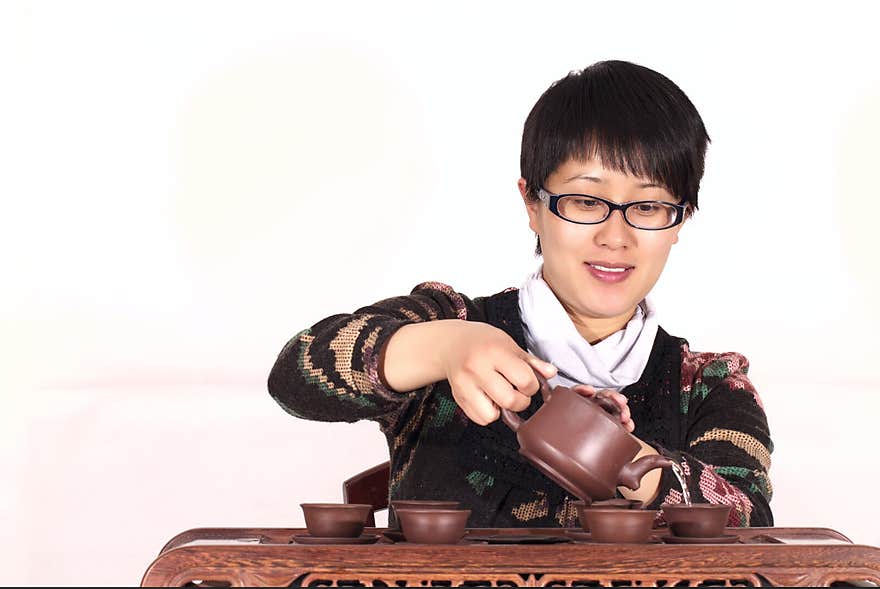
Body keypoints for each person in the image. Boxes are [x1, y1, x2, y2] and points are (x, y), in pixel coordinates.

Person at [267, 60, 773, 529]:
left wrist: (620, 458)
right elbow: (297, 374)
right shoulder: (451, 319)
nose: (616, 236)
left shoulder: (710, 384)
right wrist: (446, 348)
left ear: (679, 221)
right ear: (532, 204)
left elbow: (749, 518)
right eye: (584, 200)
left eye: (647, 206)